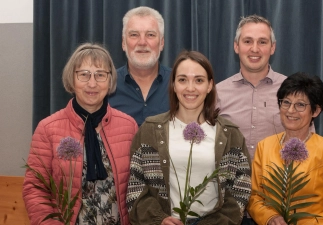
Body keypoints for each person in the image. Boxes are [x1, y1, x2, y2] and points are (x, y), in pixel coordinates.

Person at [126, 50, 252, 225]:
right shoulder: (150, 130)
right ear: (174, 85)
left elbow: (241, 189)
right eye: (182, 80)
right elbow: (136, 188)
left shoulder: (230, 134)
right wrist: (159, 220)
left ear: (209, 86)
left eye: (199, 80)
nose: (190, 88)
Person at [23, 43, 139, 225]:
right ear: (72, 79)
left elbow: (139, 186)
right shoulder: (48, 128)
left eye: (100, 75)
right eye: (84, 75)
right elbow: (35, 189)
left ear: (109, 81)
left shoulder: (129, 126)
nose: (92, 83)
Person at [248, 72, 323, 225]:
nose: (290, 110)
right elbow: (255, 198)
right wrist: (270, 218)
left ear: (316, 111)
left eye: (300, 105)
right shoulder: (264, 146)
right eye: (286, 102)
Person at [216, 15, 287, 162]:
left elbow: (307, 142)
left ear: (272, 47)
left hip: (279, 184)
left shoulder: (291, 91)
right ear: (236, 46)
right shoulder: (217, 93)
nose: (255, 49)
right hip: (229, 183)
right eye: (248, 41)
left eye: (262, 42)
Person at [109, 6, 171, 126]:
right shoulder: (107, 84)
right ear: (123, 43)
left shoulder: (179, 84)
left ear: (162, 43)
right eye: (134, 35)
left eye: (150, 35)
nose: (142, 42)